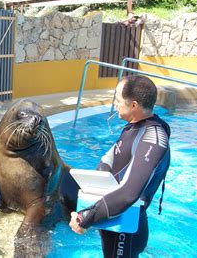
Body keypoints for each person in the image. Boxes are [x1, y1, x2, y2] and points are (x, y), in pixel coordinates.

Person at [69, 76, 171, 258]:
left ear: (134, 105)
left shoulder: (153, 139)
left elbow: (128, 194)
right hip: (113, 217)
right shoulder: (134, 128)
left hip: (126, 228)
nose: (114, 104)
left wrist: (84, 217)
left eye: (117, 99)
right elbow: (107, 160)